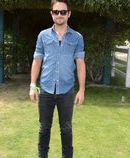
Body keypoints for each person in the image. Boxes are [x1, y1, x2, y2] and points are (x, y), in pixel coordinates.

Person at [29, 0, 86, 157]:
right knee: (44, 128)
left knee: (66, 128)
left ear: (69, 13)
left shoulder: (77, 37)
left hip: (66, 90)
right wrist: (33, 85)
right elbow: (37, 60)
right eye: (56, 12)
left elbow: (80, 64)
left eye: (62, 12)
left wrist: (81, 90)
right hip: (46, 89)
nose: (59, 15)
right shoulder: (43, 35)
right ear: (51, 14)